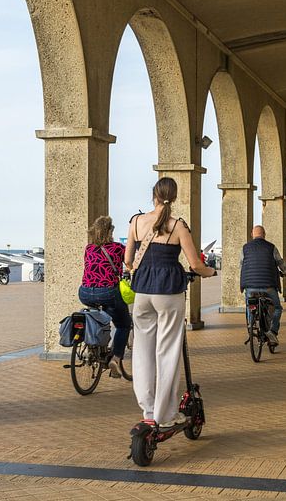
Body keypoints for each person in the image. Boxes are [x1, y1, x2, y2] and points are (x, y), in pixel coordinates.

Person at [125, 177, 216, 428]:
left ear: (153, 194)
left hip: (143, 292)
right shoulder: (178, 226)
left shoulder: (135, 222)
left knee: (143, 351)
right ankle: (165, 415)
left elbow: (128, 260)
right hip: (169, 293)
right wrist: (211, 273)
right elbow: (195, 264)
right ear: (173, 197)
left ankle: (148, 409)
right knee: (167, 352)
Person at [78, 215, 130, 378]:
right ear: (110, 231)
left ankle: (96, 347)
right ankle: (115, 358)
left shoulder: (89, 248)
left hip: (85, 292)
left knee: (99, 315)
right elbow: (130, 264)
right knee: (123, 324)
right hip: (107, 292)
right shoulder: (118, 248)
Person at [239, 225, 286, 346]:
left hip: (250, 285)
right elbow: (279, 262)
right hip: (268, 285)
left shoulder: (245, 248)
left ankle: (251, 324)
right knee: (277, 308)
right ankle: (272, 331)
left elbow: (241, 264)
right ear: (264, 234)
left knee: (249, 305)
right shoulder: (271, 247)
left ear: (252, 234)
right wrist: (285, 271)